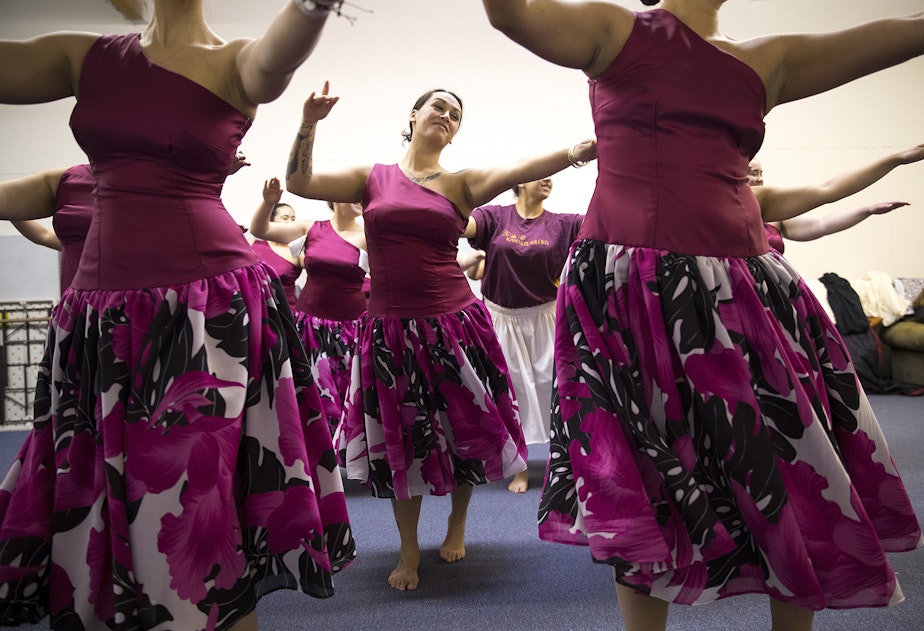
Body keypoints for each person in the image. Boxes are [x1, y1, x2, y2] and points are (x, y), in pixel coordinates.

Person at [481, 1, 924, 630]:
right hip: (630, 291)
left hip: (744, 286)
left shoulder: (771, 57)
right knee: (645, 473)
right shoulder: (615, 31)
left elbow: (905, 34)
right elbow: (511, 14)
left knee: (790, 467)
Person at [0, 2, 357, 629]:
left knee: (202, 502)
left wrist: (312, 5)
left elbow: (276, 58)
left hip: (199, 312)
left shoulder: (234, 59)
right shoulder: (84, 55)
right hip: (99, 318)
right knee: (113, 500)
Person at [285, 82, 597, 591]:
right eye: (439, 107)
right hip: (388, 330)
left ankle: (456, 524)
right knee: (400, 444)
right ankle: (408, 550)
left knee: (463, 435)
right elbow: (300, 182)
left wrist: (573, 153)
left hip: (453, 324)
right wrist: (308, 121)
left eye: (456, 114)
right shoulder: (372, 177)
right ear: (413, 115)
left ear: (455, 134)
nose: (447, 116)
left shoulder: (461, 184)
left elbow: (519, 170)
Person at [462, 177, 583, 493]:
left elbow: (602, 226)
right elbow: (461, 225)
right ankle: (521, 466)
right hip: (502, 318)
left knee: (553, 388)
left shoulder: (563, 225)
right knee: (511, 393)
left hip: (545, 316)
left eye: (551, 177)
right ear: (519, 183)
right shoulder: (494, 217)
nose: (547, 180)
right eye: (539, 175)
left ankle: (566, 462)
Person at [250, 176, 368, 440]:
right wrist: (268, 203)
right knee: (315, 393)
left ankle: (350, 453)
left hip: (350, 328)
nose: (361, 200)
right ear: (337, 197)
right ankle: (321, 455)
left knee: (351, 392)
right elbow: (260, 230)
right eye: (355, 194)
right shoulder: (312, 228)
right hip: (310, 326)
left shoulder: (369, 235)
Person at [747, 144, 924, 253]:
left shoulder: (773, 212)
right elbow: (827, 190)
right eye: (753, 173)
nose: (760, 179)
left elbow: (822, 224)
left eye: (762, 173)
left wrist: (868, 210)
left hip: (771, 292)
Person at [0, 164, 93, 295]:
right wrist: (14, 209)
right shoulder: (79, 242)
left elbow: (43, 236)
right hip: (77, 306)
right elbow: (42, 235)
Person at [247, 181, 304, 310]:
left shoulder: (296, 251)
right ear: (271, 220)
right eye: (285, 218)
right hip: (254, 309)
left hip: (286, 313)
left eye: (293, 219)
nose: (290, 222)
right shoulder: (251, 244)